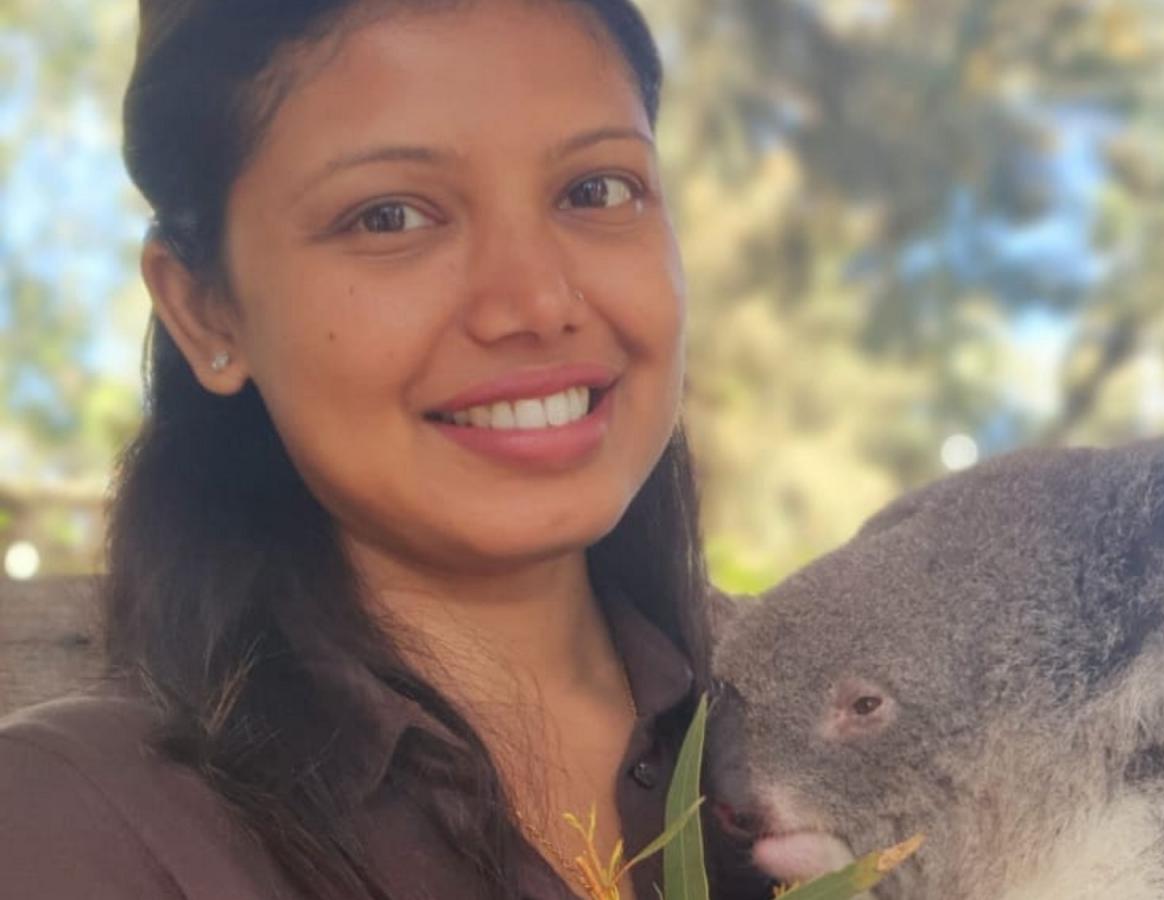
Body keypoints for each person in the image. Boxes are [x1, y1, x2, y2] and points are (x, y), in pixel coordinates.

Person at [0, 1, 772, 898]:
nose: (533, 302)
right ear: (204, 309)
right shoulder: (69, 829)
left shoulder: (825, 723)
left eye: (595, 191)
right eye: (390, 216)